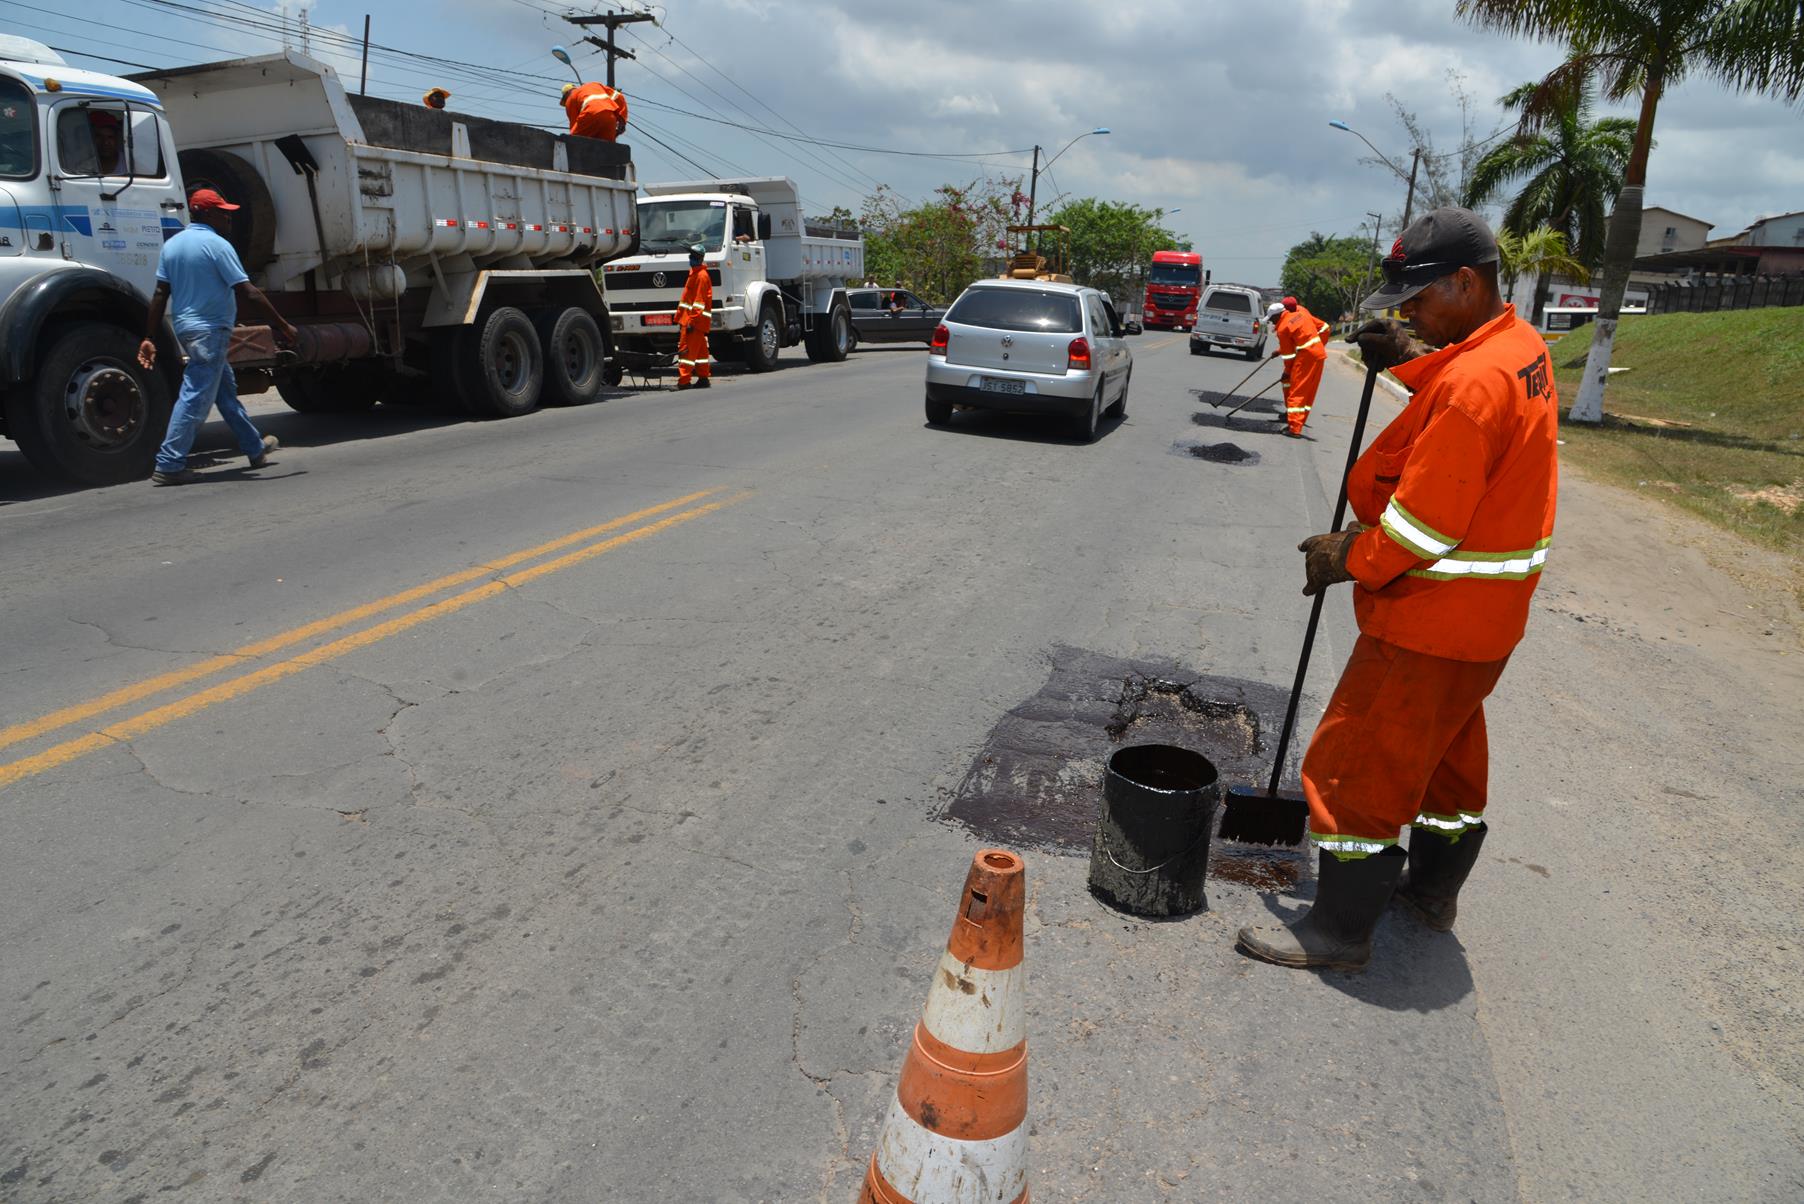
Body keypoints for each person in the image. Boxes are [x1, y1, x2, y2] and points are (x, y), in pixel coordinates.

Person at [1236, 207, 1559, 971]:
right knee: (1446, 758)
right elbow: (1461, 383)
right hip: (1483, 627)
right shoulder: (1519, 347)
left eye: (1418, 300)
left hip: (1429, 622)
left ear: (1465, 281)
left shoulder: (1475, 386)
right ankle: (1430, 893)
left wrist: (1348, 555)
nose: (1406, 311)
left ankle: (1340, 933)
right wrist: (1408, 354)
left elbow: (1420, 530)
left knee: (1357, 762)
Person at [137, 189, 297, 486]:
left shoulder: (172, 246)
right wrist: (283, 325)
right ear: (207, 214)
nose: (229, 218)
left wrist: (150, 336)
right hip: (210, 331)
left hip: (186, 329)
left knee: (224, 390)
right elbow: (248, 291)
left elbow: (160, 293)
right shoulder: (216, 245)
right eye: (224, 212)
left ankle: (253, 447)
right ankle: (169, 463)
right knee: (195, 395)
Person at [1267, 297, 1326, 437]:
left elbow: (1289, 356)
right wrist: (1279, 351)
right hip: (1318, 354)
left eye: (1271, 319)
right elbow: (1299, 338)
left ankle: (1294, 428)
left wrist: (1287, 372)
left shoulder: (1282, 328)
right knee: (1307, 391)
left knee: (1296, 391)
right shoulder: (1300, 314)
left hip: (1306, 356)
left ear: (1277, 315)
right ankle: (1298, 419)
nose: (1271, 322)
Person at [675, 243, 712, 390]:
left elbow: (698, 303)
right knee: (701, 351)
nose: (691, 258)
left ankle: (684, 381)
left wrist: (691, 321)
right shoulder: (695, 274)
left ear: (699, 258)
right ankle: (703, 378)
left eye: (693, 256)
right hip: (695, 322)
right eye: (690, 256)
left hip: (693, 322)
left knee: (686, 351)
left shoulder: (700, 277)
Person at [561, 81, 627, 142]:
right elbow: (619, 96)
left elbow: (574, 124)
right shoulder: (594, 85)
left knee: (573, 141)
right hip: (610, 118)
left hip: (590, 115)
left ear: (567, 93)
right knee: (607, 149)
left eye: (565, 99)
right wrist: (622, 121)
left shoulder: (570, 99)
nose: (566, 101)